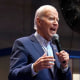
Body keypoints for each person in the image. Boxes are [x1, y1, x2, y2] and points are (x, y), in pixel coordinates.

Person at [8, 5, 72, 80]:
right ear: (39, 21)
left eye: (57, 20)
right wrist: (34, 68)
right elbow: (13, 75)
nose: (56, 23)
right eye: (51, 18)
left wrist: (64, 67)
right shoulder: (23, 43)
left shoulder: (56, 49)